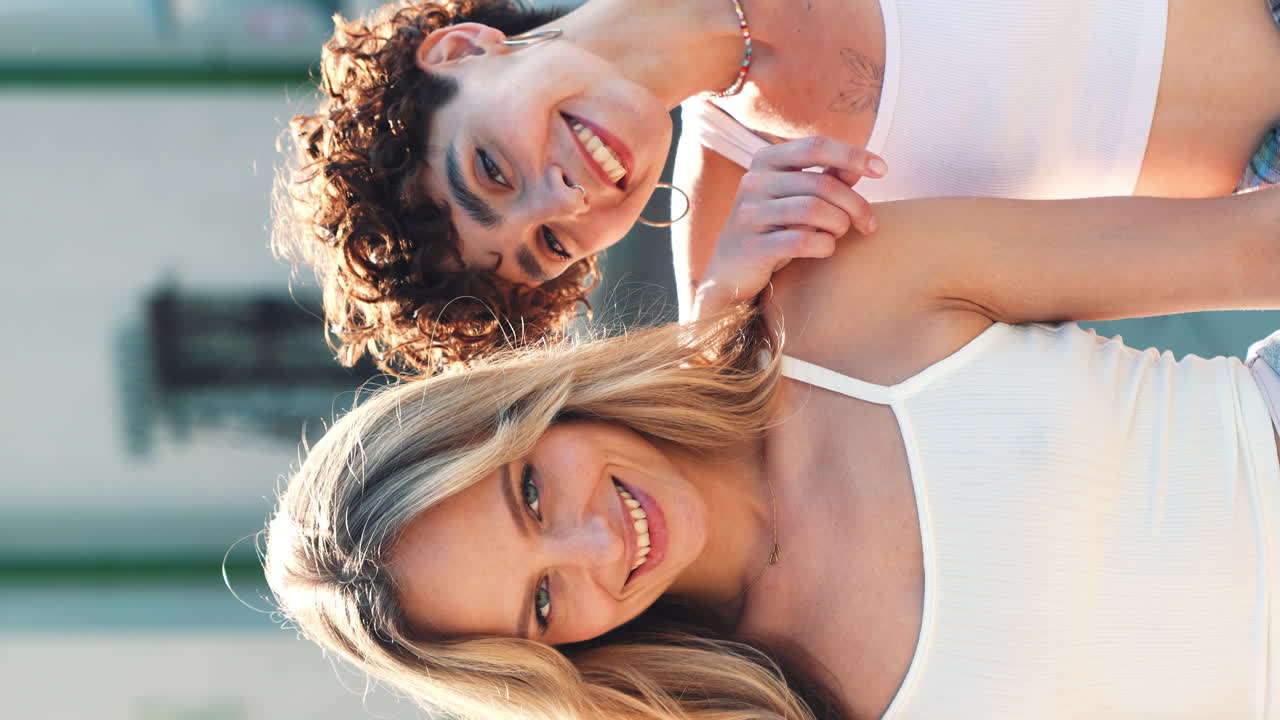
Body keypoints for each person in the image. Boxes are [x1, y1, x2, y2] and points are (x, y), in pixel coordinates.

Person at [263, 166, 1280, 719]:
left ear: (530, 411)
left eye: (530, 494)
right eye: (540, 604)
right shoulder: (763, 706)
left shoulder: (834, 307)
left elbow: (1252, 245)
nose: (596, 549)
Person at [274, 0, 1280, 374]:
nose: (560, 198)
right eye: (546, 246)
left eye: (491, 167)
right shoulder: (750, 225)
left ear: (463, 46)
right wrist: (725, 305)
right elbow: (719, 402)